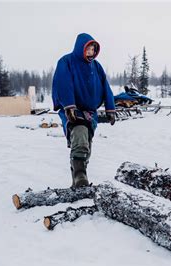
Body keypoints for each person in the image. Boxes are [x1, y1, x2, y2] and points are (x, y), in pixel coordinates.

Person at [52, 33, 116, 187]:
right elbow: (63, 83)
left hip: (90, 113)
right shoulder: (66, 62)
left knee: (86, 145)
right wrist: (69, 105)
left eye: (94, 49)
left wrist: (110, 108)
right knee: (79, 134)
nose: (91, 52)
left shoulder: (96, 66)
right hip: (73, 110)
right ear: (81, 47)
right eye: (89, 48)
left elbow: (105, 87)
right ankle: (80, 175)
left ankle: (78, 181)